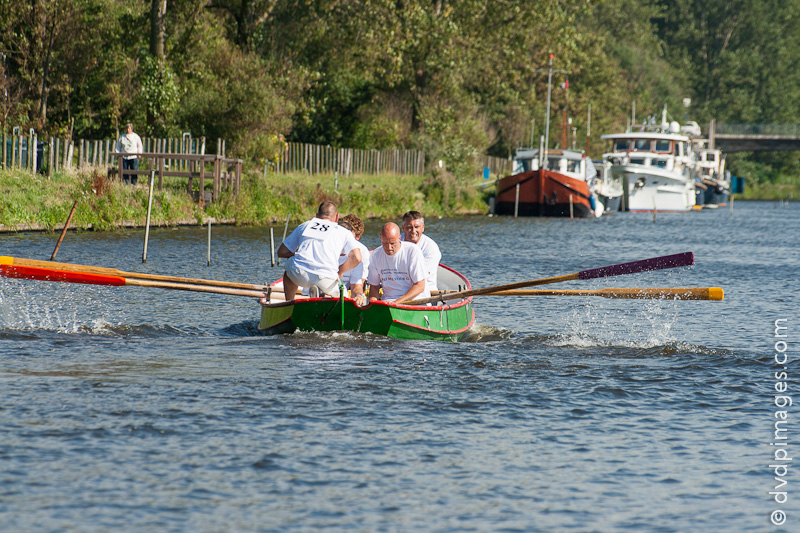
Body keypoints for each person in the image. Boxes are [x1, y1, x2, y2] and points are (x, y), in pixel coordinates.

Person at [277, 201, 362, 300]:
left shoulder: (305, 225)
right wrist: (340, 270)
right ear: (337, 217)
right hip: (326, 279)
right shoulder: (344, 232)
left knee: (289, 270)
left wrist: (298, 256)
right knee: (344, 299)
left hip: (300, 274)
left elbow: (281, 252)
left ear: (316, 216)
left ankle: (289, 303)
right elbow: (357, 257)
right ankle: (323, 295)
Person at [366, 222, 430, 304]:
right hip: (389, 302)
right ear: (380, 237)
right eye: (385, 243)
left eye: (392, 243)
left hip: (415, 301)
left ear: (399, 238)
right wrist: (373, 304)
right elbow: (374, 287)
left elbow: (420, 286)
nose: (389, 248)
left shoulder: (412, 251)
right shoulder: (376, 255)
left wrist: (397, 303)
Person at [400, 211, 441, 291]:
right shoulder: (394, 242)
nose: (413, 231)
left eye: (416, 227)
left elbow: (420, 276)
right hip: (399, 290)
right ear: (402, 227)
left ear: (423, 227)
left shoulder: (431, 248)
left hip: (426, 293)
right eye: (409, 227)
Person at [338, 214, 370, 307]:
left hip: (345, 289)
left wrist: (358, 295)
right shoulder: (327, 249)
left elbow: (358, 284)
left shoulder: (361, 253)